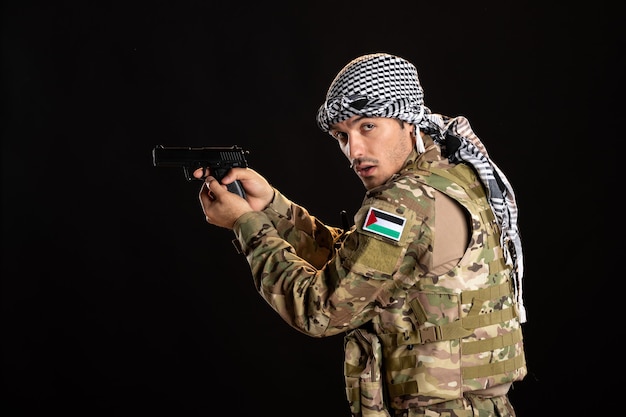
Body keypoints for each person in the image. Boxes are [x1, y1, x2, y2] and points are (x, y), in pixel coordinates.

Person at [193, 53, 528, 417]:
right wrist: (273, 207)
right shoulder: (453, 172)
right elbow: (367, 266)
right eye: (341, 136)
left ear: (408, 121)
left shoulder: (405, 201)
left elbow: (318, 310)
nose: (354, 151)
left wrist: (246, 225)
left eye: (367, 126)